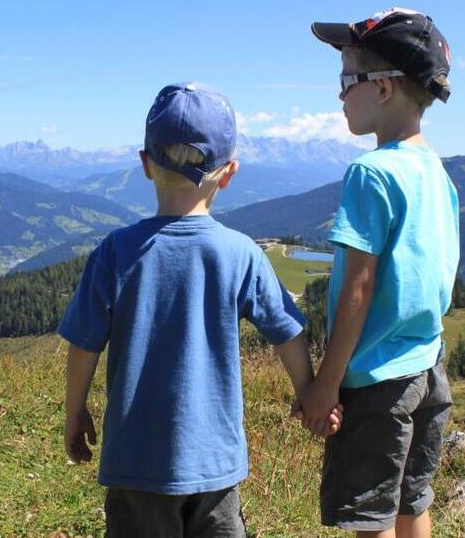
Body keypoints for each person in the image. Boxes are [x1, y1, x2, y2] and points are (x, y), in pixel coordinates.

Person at [60, 82, 341, 537]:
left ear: (145, 164)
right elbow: (286, 331)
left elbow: (84, 346)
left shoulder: (115, 252)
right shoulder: (241, 253)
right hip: (215, 462)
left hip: (135, 462)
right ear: (228, 173)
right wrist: (309, 393)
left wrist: (75, 412)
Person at [297, 8, 460, 538]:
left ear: (384, 88)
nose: (340, 94)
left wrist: (326, 383)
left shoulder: (371, 172)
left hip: (376, 381)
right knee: (413, 502)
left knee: (371, 519)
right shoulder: (438, 174)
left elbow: (358, 287)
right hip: (428, 370)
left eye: (348, 80)